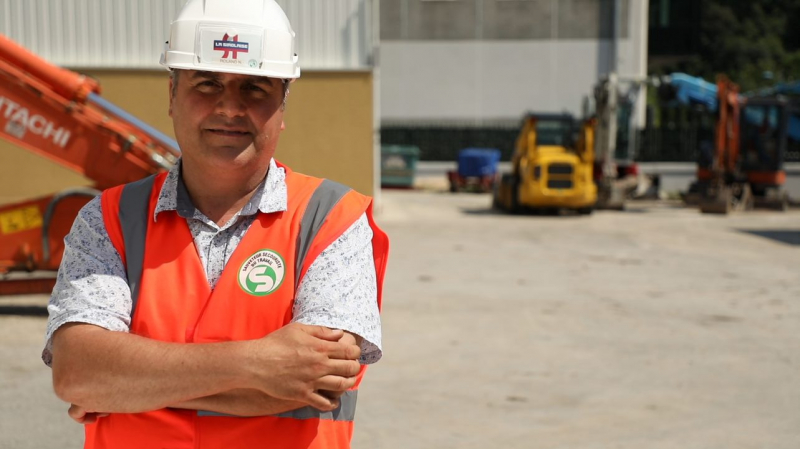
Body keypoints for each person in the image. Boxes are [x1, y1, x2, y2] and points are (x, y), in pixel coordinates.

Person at [41, 0, 389, 447]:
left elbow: (317, 380)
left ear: (283, 103)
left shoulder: (332, 219)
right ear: (171, 97)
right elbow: (78, 372)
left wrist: (131, 385)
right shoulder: (108, 220)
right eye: (206, 84)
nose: (229, 107)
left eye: (255, 88)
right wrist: (260, 364)